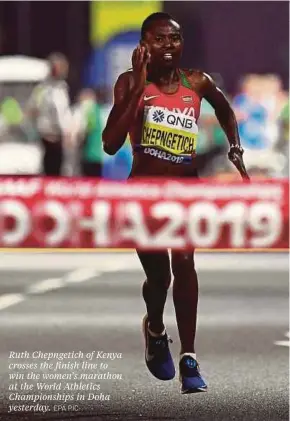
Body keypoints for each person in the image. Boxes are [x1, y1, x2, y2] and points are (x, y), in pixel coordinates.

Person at [102, 12, 249, 394]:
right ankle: (154, 327)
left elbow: (224, 108)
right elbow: (111, 143)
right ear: (144, 45)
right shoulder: (130, 83)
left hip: (185, 190)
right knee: (159, 277)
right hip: (145, 194)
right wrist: (137, 89)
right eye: (160, 39)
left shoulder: (197, 81)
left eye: (175, 38)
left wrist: (234, 144)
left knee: (184, 263)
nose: (169, 45)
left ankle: (189, 357)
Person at [25, 52, 71, 176]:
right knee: (51, 169)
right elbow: (32, 109)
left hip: (54, 136)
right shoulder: (46, 89)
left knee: (57, 169)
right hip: (48, 136)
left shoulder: (59, 88)